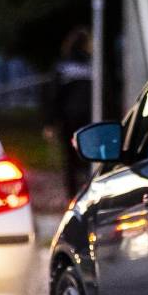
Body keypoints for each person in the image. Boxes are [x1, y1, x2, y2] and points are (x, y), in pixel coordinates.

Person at [45, 26, 94, 197]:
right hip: (89, 119)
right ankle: (88, 192)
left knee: (70, 160)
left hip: (68, 119)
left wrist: (50, 122)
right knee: (89, 158)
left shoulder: (63, 67)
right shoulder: (92, 66)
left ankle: (72, 196)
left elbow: (53, 96)